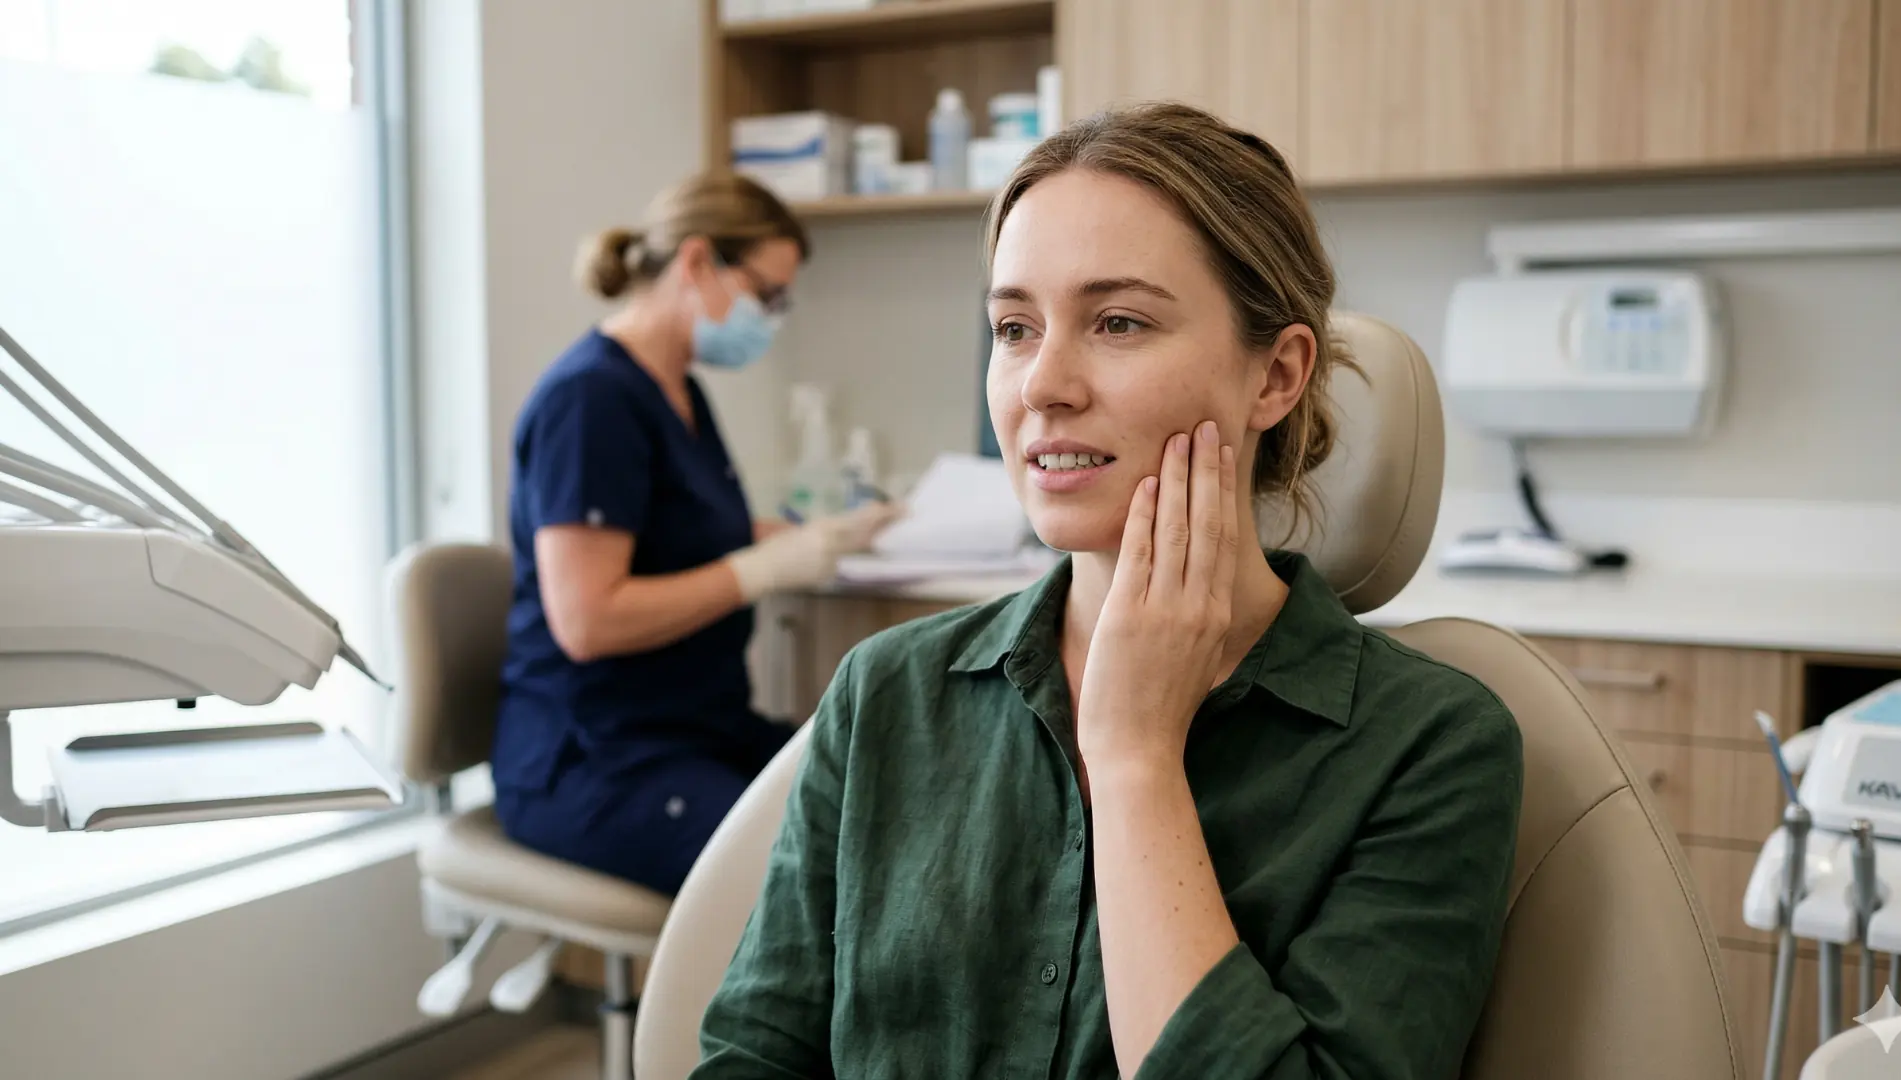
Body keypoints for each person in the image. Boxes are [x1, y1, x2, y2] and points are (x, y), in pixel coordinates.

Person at [692, 103, 1524, 1079]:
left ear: (1277, 375)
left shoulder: (1431, 748)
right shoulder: (885, 694)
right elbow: (752, 1057)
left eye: (1118, 321)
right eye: (1013, 327)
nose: (1042, 383)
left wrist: (1134, 760)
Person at [492, 171, 897, 897]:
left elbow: (688, 527)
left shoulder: (678, 390)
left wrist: (824, 534)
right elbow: (587, 619)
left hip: (698, 728)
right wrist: (762, 569)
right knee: (821, 875)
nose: (772, 318)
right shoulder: (592, 402)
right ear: (698, 262)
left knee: (883, 789)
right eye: (768, 295)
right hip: (595, 760)